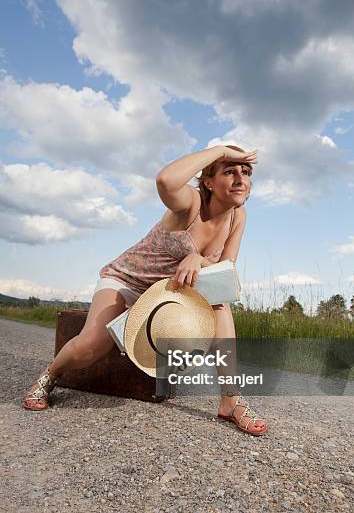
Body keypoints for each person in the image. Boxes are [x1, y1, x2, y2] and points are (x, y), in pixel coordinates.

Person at [22, 144, 268, 436]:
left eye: (246, 172)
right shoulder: (190, 204)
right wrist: (220, 150)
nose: (241, 178)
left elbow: (225, 270)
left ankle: (230, 401)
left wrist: (198, 259)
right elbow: (166, 180)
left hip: (168, 293)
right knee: (91, 346)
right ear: (208, 182)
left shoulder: (238, 216)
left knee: (220, 305)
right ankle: (51, 374)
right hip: (128, 281)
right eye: (230, 171)